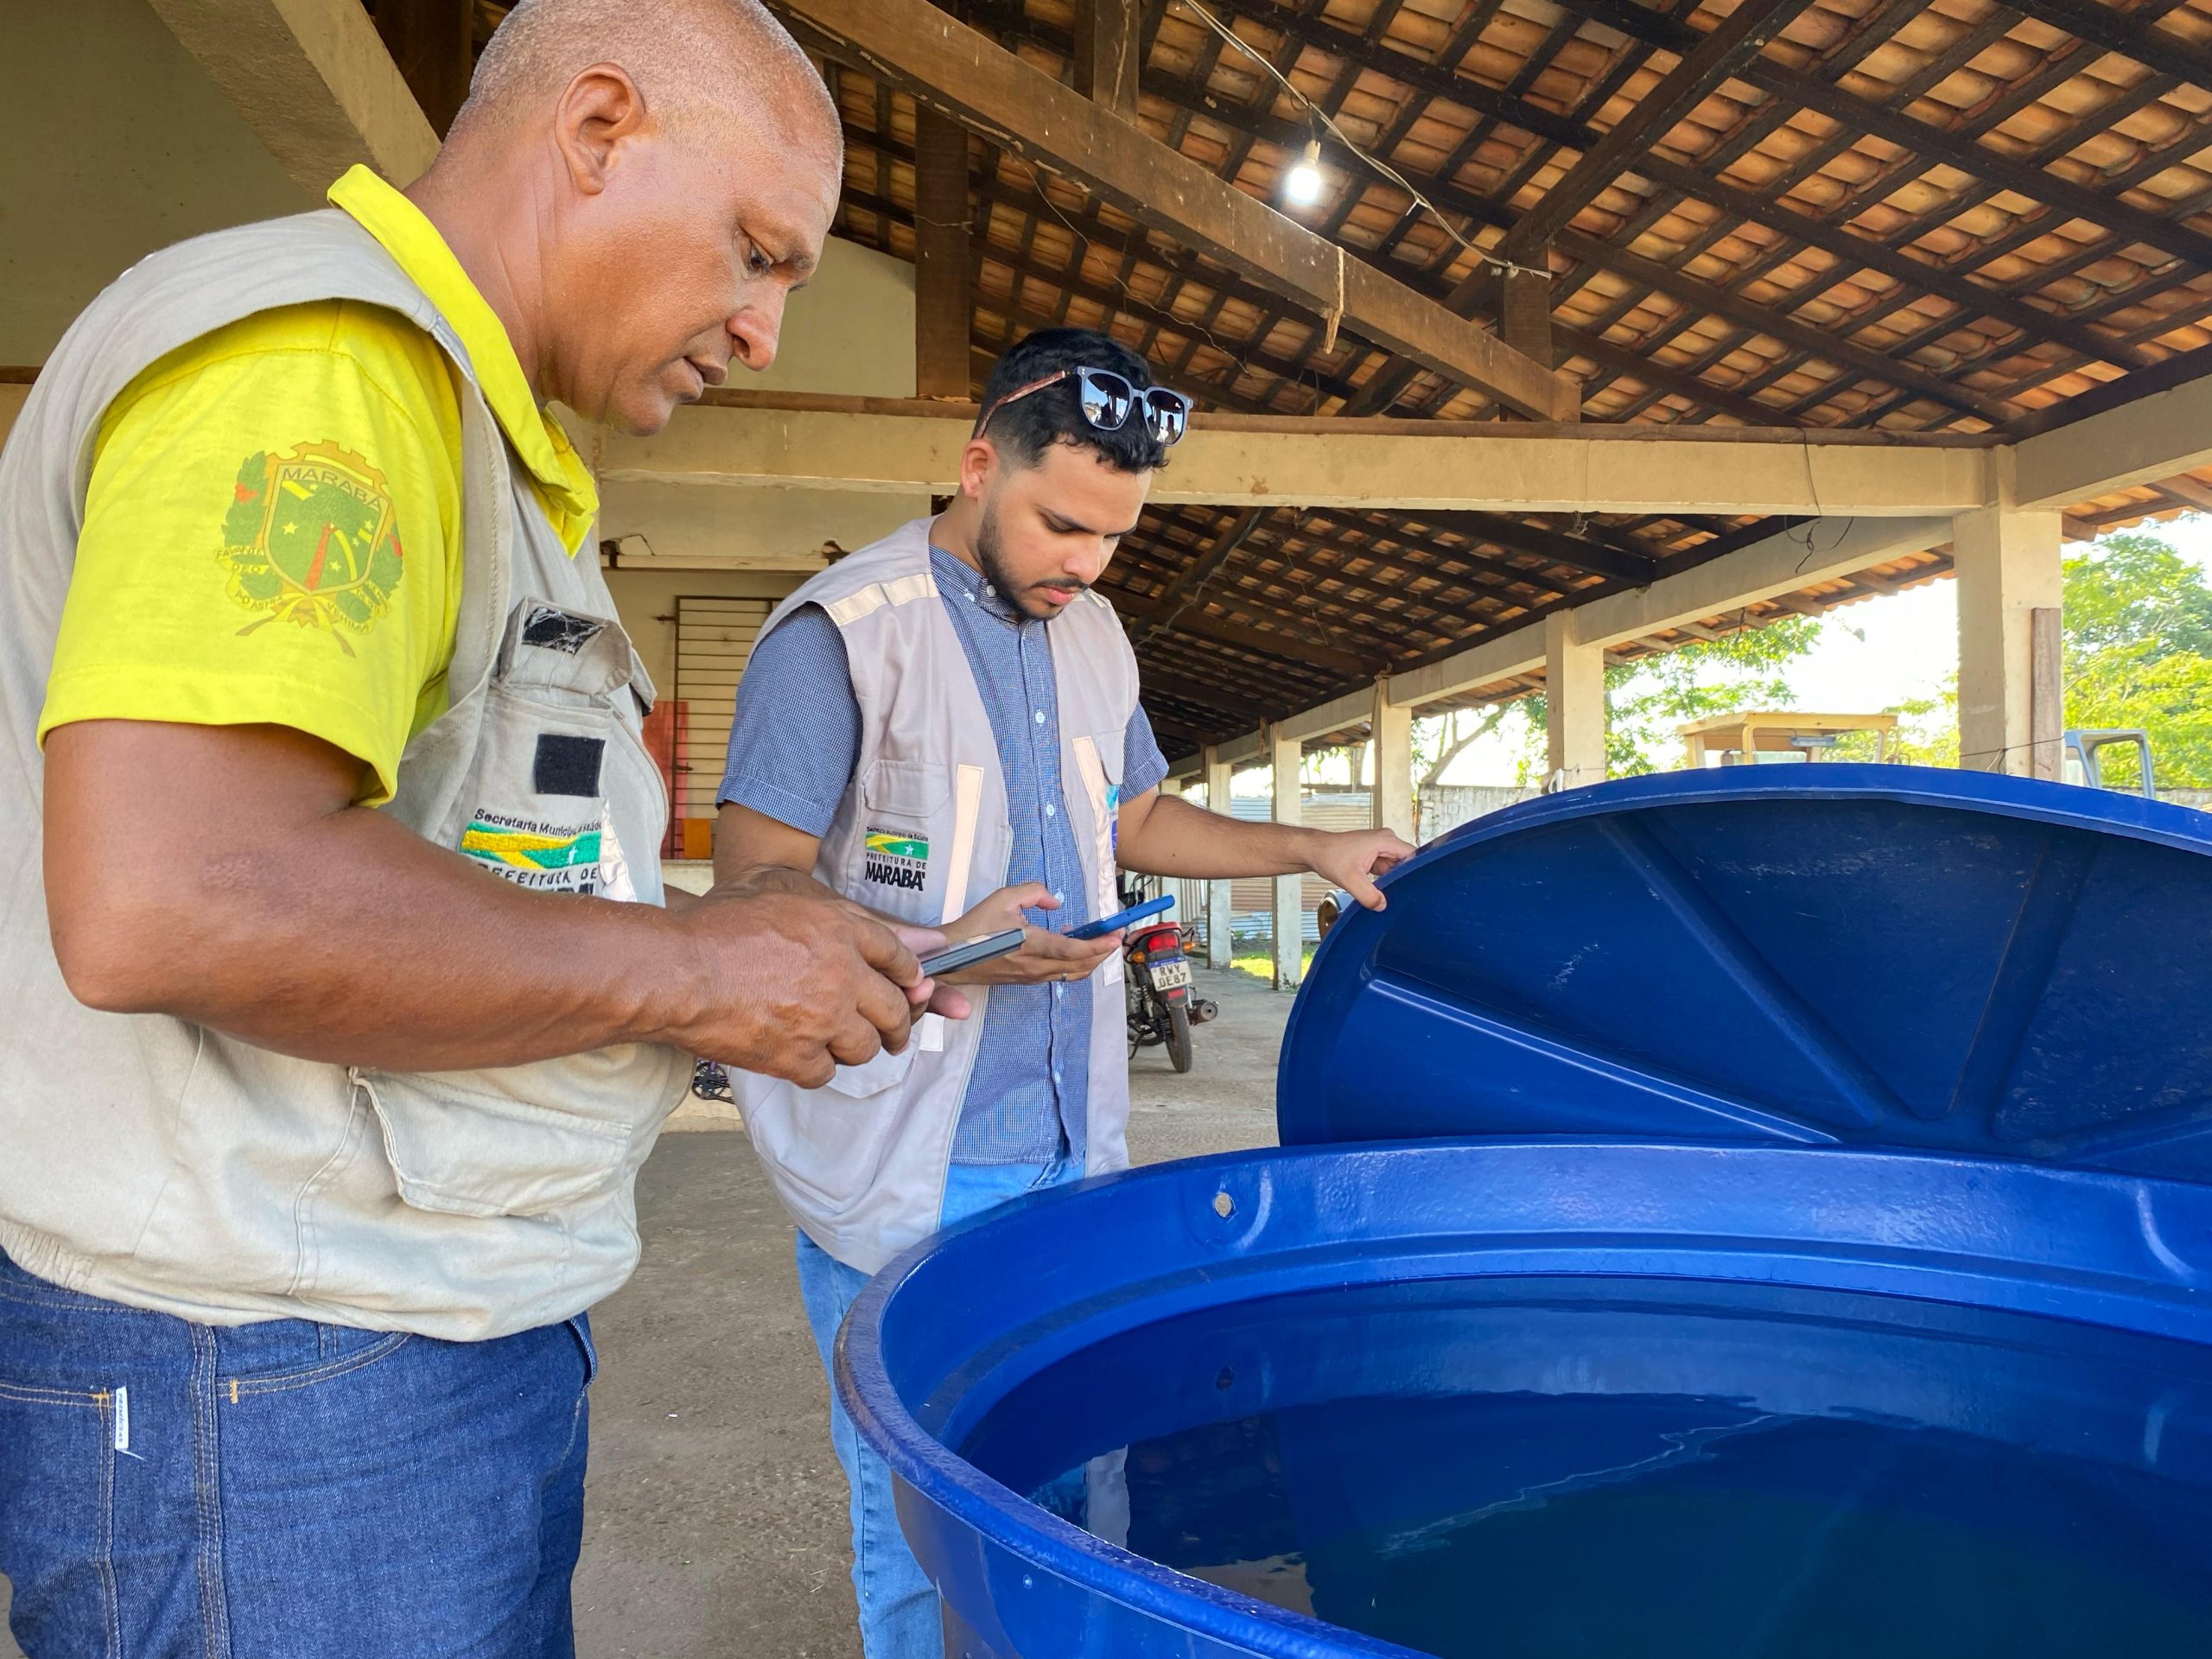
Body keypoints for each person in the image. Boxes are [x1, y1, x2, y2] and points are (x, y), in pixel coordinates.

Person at [0, 3, 961, 1655]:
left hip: (380, 1352)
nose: (766, 332)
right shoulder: (327, 365)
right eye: (755, 251)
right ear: (595, 129)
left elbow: (468, 859)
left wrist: (729, 957)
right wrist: (687, 974)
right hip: (278, 1388)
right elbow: (179, 890)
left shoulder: (479, 447)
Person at [715, 325, 1416, 1656]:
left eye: (1112, 538)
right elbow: (751, 887)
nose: (1084, 564)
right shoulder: (843, 636)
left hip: (1068, 1152)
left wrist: (1311, 849)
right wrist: (950, 948)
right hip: (911, 1168)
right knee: (921, 1515)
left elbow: (1137, 815)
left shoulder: (1093, 635)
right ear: (977, 465)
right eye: (1060, 526)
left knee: (1083, 1498)